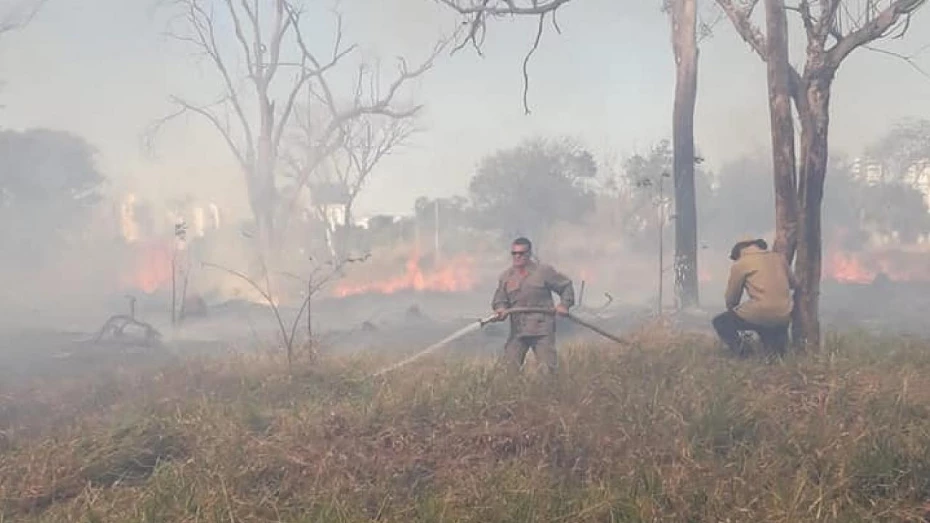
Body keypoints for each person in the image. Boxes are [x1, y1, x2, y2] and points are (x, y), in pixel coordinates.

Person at [491, 237, 575, 374]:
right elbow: (500, 298)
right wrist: (500, 309)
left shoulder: (543, 272)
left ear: (529, 254)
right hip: (518, 330)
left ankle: (549, 394)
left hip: (542, 329)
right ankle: (511, 394)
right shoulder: (506, 276)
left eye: (521, 253)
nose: (517, 256)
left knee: (547, 370)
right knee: (508, 369)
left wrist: (564, 305)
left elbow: (566, 286)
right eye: (514, 253)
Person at [712, 237, 796, 357]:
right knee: (776, 355)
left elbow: (732, 299)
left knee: (721, 322)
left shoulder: (741, 264)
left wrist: (734, 311)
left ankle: (744, 353)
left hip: (760, 313)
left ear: (740, 250)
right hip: (784, 315)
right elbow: (794, 284)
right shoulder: (779, 258)